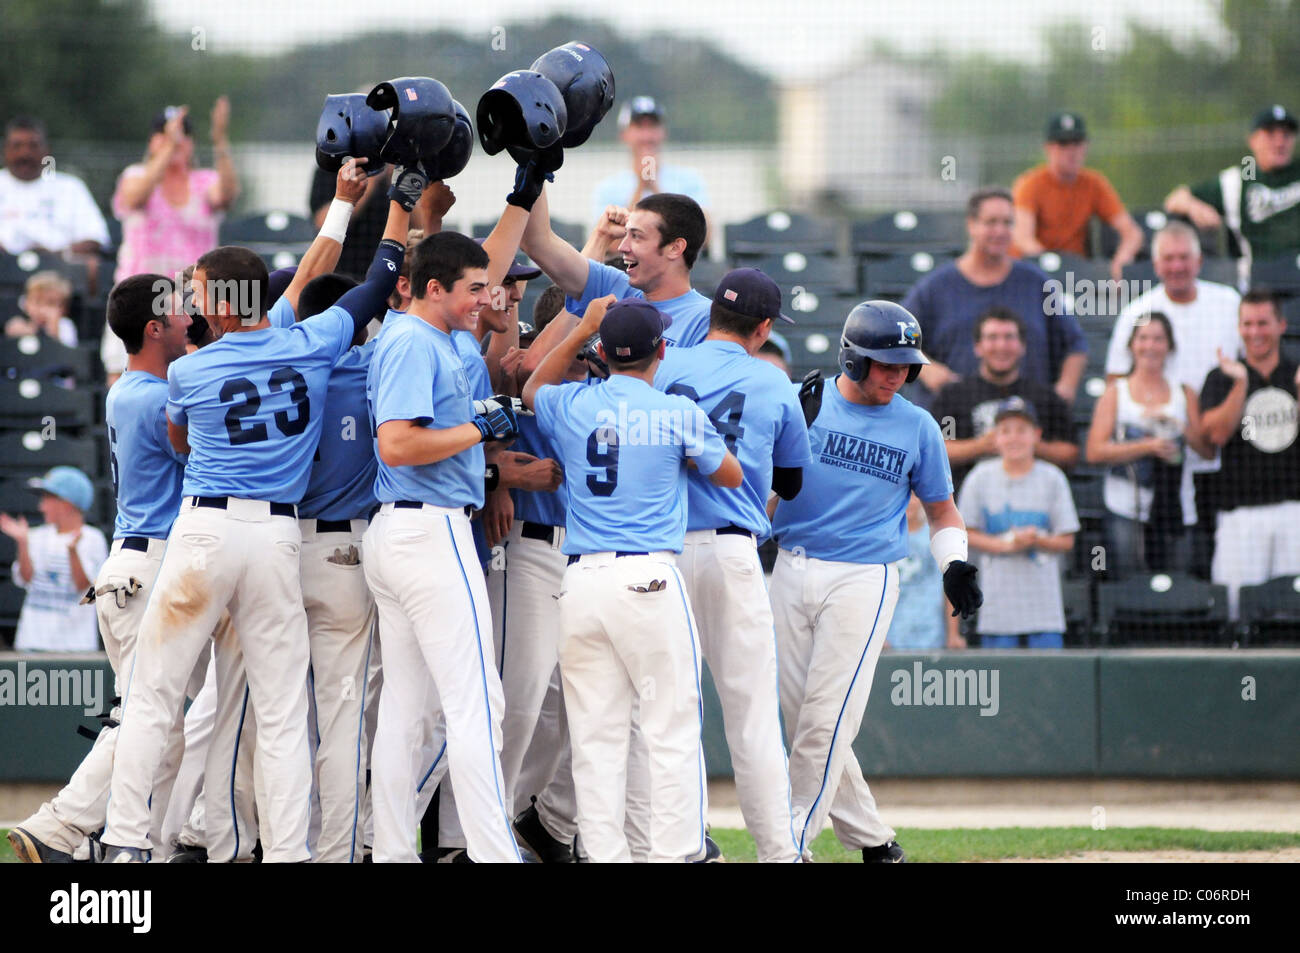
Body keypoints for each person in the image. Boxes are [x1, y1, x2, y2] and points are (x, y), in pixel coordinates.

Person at [99, 163, 419, 864]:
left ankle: (125, 842)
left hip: (204, 529)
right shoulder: (308, 342)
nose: (192, 301)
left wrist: (343, 205)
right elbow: (368, 281)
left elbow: (182, 437)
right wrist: (396, 208)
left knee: (154, 693)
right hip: (278, 532)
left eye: (199, 292)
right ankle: (289, 854)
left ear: (219, 300)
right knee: (280, 711)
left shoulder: (188, 369)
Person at [521, 295, 742, 863]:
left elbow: (529, 389)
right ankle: (676, 854)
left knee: (596, 737)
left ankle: (604, 855)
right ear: (661, 351)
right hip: (649, 576)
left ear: (603, 353)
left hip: (582, 578)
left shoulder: (572, 404)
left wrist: (581, 330)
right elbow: (731, 473)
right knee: (670, 723)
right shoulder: (676, 410)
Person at [768, 300, 982, 862]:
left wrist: (952, 564)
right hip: (788, 566)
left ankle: (791, 844)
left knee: (825, 719)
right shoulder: (801, 404)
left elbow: (941, 511)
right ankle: (874, 842)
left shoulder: (917, 426)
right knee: (806, 719)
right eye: (884, 364)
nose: (896, 375)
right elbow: (759, 497)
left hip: (864, 577)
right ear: (852, 358)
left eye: (905, 366)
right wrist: (794, 430)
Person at [362, 230, 525, 864]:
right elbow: (397, 444)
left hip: (408, 531)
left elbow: (433, 424)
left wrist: (480, 416)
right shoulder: (410, 340)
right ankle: (494, 855)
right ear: (435, 288)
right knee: (477, 699)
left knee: (407, 710)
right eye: (474, 288)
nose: (486, 298)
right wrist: (474, 428)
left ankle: (395, 854)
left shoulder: (429, 337)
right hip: (429, 529)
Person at [648, 268, 808, 863]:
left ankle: (687, 846)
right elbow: (789, 483)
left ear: (712, 313)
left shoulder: (664, 369)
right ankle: (779, 853)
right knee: (752, 717)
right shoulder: (774, 382)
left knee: (669, 711)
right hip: (733, 551)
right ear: (763, 328)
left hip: (659, 553)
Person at [902, 186, 1088, 405]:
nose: (1000, 231)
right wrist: (926, 369)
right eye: (991, 222)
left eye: (1007, 223)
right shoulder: (934, 288)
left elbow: (1075, 344)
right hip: (955, 422)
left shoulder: (1036, 283)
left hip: (1026, 424)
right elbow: (900, 337)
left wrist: (1065, 388)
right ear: (971, 225)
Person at [1199, 290, 1300, 620]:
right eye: (1247, 324)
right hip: (1240, 512)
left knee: (1291, 613)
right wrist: (1240, 385)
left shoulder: (1295, 372)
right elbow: (1215, 435)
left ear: (1281, 325)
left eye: (1263, 323)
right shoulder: (1221, 377)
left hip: (1293, 509)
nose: (1255, 332)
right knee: (1235, 610)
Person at [1088, 312, 1214, 574]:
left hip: (1177, 506)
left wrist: (1179, 428)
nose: (1150, 346)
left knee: (1178, 587)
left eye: (1158, 339)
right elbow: (1094, 451)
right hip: (1126, 505)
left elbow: (1207, 451)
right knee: (1128, 585)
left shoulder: (1184, 393)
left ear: (1169, 346)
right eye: (1143, 338)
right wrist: (1147, 446)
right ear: (1132, 344)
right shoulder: (1115, 393)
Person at [521, 182, 713, 348]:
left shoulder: (707, 320)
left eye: (636, 236)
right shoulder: (614, 286)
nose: (622, 247)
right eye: (625, 234)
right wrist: (537, 163)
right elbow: (536, 242)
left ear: (675, 248)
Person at [959, 397, 1079, 649]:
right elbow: (964, 534)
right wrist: (1004, 546)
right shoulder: (979, 478)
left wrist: (1037, 540)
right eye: (1005, 431)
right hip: (996, 608)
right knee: (1000, 683)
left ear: (1037, 435)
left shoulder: (1052, 478)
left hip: (1043, 609)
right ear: (995, 436)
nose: (1014, 438)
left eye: (1022, 431)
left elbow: (1067, 539)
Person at [929, 306, 1077, 490]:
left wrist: (1030, 445)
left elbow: (1070, 452)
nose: (1001, 346)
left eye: (1009, 337)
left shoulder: (1046, 398)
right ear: (977, 347)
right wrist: (982, 446)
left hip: (1033, 501)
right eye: (992, 338)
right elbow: (937, 449)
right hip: (966, 502)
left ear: (1023, 346)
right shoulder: (953, 397)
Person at [1165, 104, 1300, 282]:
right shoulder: (1239, 179)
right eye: (1270, 134)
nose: (1279, 142)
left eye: (1286, 135)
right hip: (1256, 282)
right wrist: (1194, 206)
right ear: (1253, 140)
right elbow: (1175, 199)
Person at [111, 101, 239, 285]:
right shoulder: (135, 174)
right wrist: (169, 146)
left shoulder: (205, 181)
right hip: (140, 290)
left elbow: (226, 197)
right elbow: (134, 198)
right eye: (164, 133)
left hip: (193, 295)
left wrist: (220, 140)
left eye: (183, 134)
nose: (177, 139)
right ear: (151, 141)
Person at [1012, 111, 1144, 281]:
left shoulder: (1094, 184)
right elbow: (1023, 238)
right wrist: (1053, 266)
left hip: (1077, 275)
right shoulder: (1030, 184)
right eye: (1063, 144)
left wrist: (1120, 263)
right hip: (1035, 271)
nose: (1071, 151)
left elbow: (1132, 233)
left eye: (1077, 143)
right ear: (1048, 148)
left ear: (1086, 146)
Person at [1, 466, 106, 652]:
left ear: (66, 503)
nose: (41, 506)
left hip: (76, 649)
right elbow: (25, 579)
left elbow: (85, 588)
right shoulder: (35, 536)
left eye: (46, 499)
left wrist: (73, 551)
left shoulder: (93, 539)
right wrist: (23, 543)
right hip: (30, 645)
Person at [589, 96, 711, 231]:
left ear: (663, 132)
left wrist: (655, 190)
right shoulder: (608, 188)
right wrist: (641, 187)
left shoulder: (689, 180)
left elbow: (703, 235)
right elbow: (609, 243)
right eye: (639, 127)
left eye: (653, 126)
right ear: (624, 135)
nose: (647, 136)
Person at [0, 116, 109, 257]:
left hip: (59, 269)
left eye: (33, 146)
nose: (24, 154)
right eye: (17, 146)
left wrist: (59, 254)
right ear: (5, 150)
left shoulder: (70, 187)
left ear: (47, 150)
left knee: (91, 265)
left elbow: (95, 238)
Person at [885, 495, 959, 651]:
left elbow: (950, 589)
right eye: (903, 495)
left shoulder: (937, 538)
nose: (909, 502)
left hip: (931, 635)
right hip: (891, 636)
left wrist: (953, 634)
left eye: (913, 496)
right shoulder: (883, 540)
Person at [4, 270, 78, 345]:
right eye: (37, 302)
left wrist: (54, 332)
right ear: (26, 303)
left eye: (51, 303)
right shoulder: (19, 322)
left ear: (63, 309)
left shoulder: (65, 326)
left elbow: (69, 352)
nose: (42, 309)